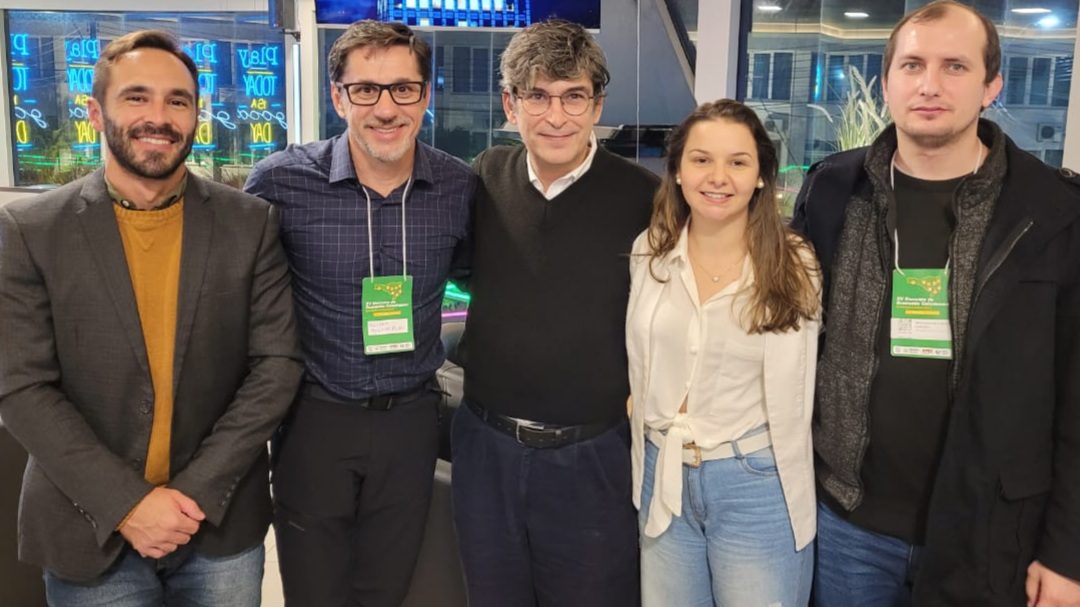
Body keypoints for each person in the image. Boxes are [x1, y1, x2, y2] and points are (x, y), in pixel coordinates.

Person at [0, 30, 303, 607]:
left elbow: (276, 366)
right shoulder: (31, 231)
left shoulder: (251, 223)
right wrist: (129, 505)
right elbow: (21, 387)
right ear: (95, 112)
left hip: (216, 525)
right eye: (136, 97)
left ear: (196, 117)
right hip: (88, 528)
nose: (158, 117)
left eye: (177, 101)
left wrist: (192, 495)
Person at [791, 2, 1080, 605]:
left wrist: (1067, 553)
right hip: (846, 526)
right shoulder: (832, 191)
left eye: (955, 66)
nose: (929, 84)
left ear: (991, 86)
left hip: (989, 533)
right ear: (887, 81)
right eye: (913, 65)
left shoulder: (1054, 212)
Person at [244, 20, 475, 607]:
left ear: (425, 95)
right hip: (314, 420)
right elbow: (237, 295)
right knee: (313, 591)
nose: (386, 108)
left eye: (403, 89)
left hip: (411, 424)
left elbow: (484, 278)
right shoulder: (281, 182)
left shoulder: (458, 188)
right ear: (338, 96)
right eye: (366, 89)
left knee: (387, 589)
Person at [451, 18, 659, 607]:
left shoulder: (645, 198)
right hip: (486, 450)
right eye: (537, 97)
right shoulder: (486, 176)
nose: (556, 116)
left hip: (592, 456)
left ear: (597, 106)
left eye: (574, 97)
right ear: (510, 105)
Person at [626, 99, 820, 606]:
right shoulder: (650, 251)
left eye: (738, 162)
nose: (718, 177)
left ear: (760, 176)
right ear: (677, 170)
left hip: (754, 483)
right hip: (662, 472)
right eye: (701, 159)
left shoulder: (795, 264)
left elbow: (805, 384)